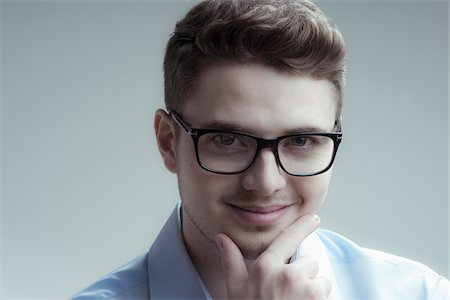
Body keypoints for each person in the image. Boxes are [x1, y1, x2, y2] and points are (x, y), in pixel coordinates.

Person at [71, 0, 449, 299]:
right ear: (168, 141)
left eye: (301, 141)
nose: (266, 183)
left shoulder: (421, 294)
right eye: (228, 139)